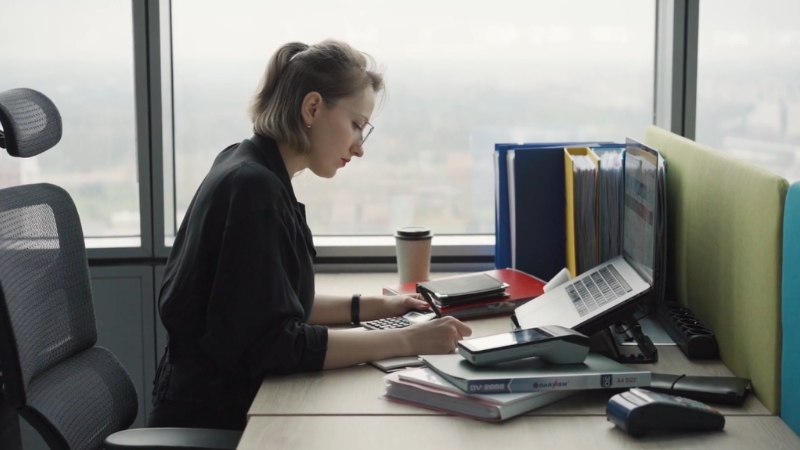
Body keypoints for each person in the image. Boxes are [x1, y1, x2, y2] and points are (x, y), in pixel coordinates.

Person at [147, 39, 472, 431]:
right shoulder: (255, 190)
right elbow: (276, 344)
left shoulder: (247, 165)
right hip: (219, 420)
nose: (359, 146)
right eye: (356, 125)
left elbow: (271, 303)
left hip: (216, 401)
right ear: (312, 107)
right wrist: (409, 341)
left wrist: (379, 307)